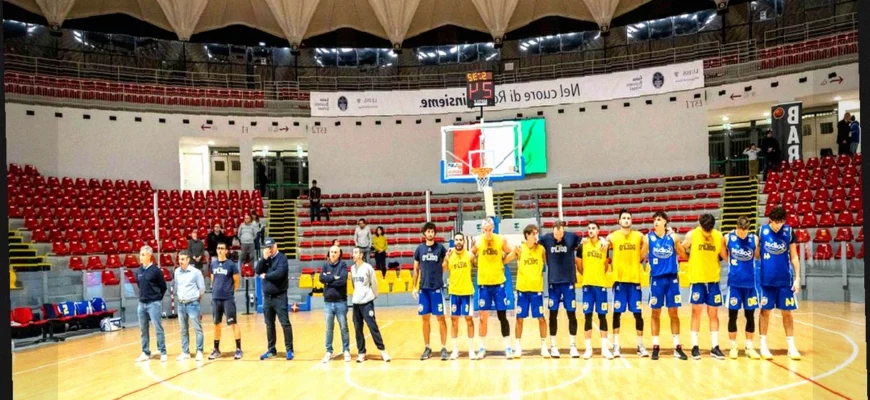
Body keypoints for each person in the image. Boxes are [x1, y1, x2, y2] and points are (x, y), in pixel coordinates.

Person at [601, 209, 647, 358]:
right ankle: (616, 345)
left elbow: (648, 242)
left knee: (638, 314)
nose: (626, 220)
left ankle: (640, 345)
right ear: (619, 221)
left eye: (628, 218)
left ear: (631, 221)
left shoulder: (638, 236)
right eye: (624, 218)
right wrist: (603, 242)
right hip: (619, 281)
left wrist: (640, 257)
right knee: (617, 314)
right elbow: (603, 243)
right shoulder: (613, 236)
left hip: (634, 280)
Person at [758, 206, 801, 360]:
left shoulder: (789, 232)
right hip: (766, 280)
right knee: (765, 312)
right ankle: (763, 345)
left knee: (787, 312)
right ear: (770, 220)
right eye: (776, 222)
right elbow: (755, 254)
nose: (778, 225)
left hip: (785, 280)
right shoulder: (761, 231)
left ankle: (791, 346)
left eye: (781, 222)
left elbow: (794, 257)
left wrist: (797, 278)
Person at [644, 211, 688, 361]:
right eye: (654, 220)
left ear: (665, 222)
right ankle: (656, 346)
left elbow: (684, 254)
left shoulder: (673, 238)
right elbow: (640, 255)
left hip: (672, 279)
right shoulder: (648, 238)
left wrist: (679, 242)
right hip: (656, 279)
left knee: (673, 313)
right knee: (655, 313)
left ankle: (677, 347)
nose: (655, 222)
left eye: (658, 219)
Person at [682, 214, 726, 360]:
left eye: (709, 229)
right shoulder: (692, 235)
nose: (707, 232)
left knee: (713, 314)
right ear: (700, 224)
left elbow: (724, 255)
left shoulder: (718, 236)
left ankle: (715, 346)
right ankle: (695, 346)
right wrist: (689, 258)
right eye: (705, 229)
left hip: (713, 280)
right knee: (696, 312)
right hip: (697, 280)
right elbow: (681, 248)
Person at [470, 218, 515, 359]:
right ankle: (482, 347)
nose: (488, 233)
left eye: (490, 230)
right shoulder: (478, 241)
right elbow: (470, 255)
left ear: (493, 228)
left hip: (499, 284)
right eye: (485, 230)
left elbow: (513, 252)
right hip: (484, 284)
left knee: (502, 316)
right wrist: (474, 262)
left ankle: (508, 347)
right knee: (483, 318)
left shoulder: (501, 239)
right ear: (482, 230)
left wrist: (503, 261)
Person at [538, 220, 582, 358]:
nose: (559, 237)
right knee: (553, 314)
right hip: (553, 283)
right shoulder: (546, 239)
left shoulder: (571, 237)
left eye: (561, 234)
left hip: (568, 281)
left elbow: (584, 242)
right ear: (553, 231)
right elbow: (533, 245)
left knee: (571, 314)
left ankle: (573, 346)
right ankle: (553, 346)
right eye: (556, 235)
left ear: (564, 231)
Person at [723, 216, 762, 360]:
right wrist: (731, 262)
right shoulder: (728, 237)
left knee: (750, 316)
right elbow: (722, 253)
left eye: (745, 232)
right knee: (732, 316)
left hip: (750, 285)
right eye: (740, 231)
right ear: (736, 227)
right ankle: (733, 346)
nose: (743, 234)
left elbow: (757, 256)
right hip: (734, 284)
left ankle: (749, 347)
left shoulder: (754, 239)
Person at [510, 224, 549, 359]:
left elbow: (547, 262)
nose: (536, 236)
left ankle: (543, 345)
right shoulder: (520, 249)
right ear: (527, 235)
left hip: (536, 290)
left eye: (536, 233)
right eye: (533, 233)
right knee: (519, 318)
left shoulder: (541, 249)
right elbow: (506, 259)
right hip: (522, 289)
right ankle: (518, 346)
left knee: (541, 318)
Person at [412, 222, 449, 361]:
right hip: (424, 289)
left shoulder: (440, 248)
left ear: (435, 233)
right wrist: (414, 287)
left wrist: (445, 262)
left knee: (441, 318)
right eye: (428, 231)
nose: (430, 233)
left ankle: (443, 347)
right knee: (425, 319)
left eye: (432, 231)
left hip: (437, 288)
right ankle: (427, 347)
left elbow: (447, 264)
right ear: (424, 233)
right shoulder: (419, 249)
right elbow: (415, 269)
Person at [578, 221, 614, 360]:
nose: (591, 230)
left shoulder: (604, 245)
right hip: (587, 286)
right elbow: (579, 266)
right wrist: (588, 275)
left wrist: (598, 275)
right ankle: (588, 349)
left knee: (602, 316)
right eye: (589, 228)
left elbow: (605, 265)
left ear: (598, 231)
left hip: (601, 286)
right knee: (587, 316)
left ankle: (604, 349)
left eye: (593, 228)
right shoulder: (583, 245)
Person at [350, 247, 391, 363]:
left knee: (373, 327)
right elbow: (353, 284)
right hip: (356, 303)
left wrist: (373, 295)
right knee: (358, 329)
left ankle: (383, 350)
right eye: (353, 253)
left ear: (361, 255)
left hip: (367, 302)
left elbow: (374, 283)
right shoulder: (352, 268)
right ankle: (361, 353)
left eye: (356, 252)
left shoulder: (368, 268)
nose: (353, 255)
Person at [257, 238, 294, 361]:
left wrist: (266, 276)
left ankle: (289, 350)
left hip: (280, 297)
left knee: (285, 323)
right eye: (267, 247)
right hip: (267, 298)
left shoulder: (282, 258)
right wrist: (264, 259)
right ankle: (271, 350)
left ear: (276, 246)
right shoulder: (266, 259)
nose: (270, 249)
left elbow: (279, 274)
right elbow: (257, 271)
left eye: (271, 247)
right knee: (269, 325)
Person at [443, 232, 477, 360]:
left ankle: (471, 350)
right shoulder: (450, 256)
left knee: (469, 320)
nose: (458, 242)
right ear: (454, 242)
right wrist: (445, 258)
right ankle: (455, 349)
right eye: (456, 240)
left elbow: (478, 263)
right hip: (454, 293)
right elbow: (443, 269)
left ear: (463, 241)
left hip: (467, 292)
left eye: (460, 240)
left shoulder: (469, 255)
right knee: (454, 320)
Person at [208, 243, 243, 360]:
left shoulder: (231, 265)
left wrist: (230, 292)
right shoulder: (213, 264)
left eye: (222, 248)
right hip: (216, 298)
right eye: (218, 248)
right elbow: (213, 280)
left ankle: (238, 349)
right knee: (216, 324)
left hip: (228, 299)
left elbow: (236, 281)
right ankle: (216, 349)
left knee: (233, 323)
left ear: (226, 251)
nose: (220, 250)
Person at [134, 245, 167, 362]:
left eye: (143, 254)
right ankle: (145, 352)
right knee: (143, 329)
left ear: (149, 255)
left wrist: (157, 298)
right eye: (140, 254)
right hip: (141, 304)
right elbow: (140, 285)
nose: (140, 257)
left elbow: (163, 287)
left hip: (154, 304)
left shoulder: (156, 271)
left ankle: (163, 352)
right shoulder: (138, 271)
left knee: (158, 328)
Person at [321, 245, 351, 363]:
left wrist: (328, 280)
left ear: (339, 254)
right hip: (328, 302)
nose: (333, 254)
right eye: (331, 252)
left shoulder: (343, 265)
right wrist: (334, 277)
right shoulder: (325, 265)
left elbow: (342, 281)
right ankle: (329, 351)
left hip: (340, 301)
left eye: (335, 252)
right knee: (329, 328)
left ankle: (346, 350)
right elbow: (321, 278)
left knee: (344, 327)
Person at [174, 250, 205, 362]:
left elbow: (202, 289)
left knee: (197, 328)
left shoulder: (196, 272)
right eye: (179, 259)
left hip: (192, 303)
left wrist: (196, 300)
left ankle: (199, 351)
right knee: (183, 329)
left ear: (188, 260)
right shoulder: (177, 272)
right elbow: (176, 286)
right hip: (180, 304)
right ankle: (185, 352)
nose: (180, 261)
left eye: (182, 259)